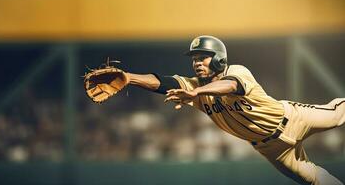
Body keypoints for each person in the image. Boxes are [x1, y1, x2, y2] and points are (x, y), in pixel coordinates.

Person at [125, 35, 344, 185]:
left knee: (338, 112)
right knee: (313, 179)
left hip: (292, 118)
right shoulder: (196, 88)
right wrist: (128, 78)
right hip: (271, 149)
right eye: (194, 59)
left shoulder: (237, 71)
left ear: (219, 59)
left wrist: (196, 94)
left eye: (202, 57)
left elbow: (231, 85)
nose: (196, 63)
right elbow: (162, 82)